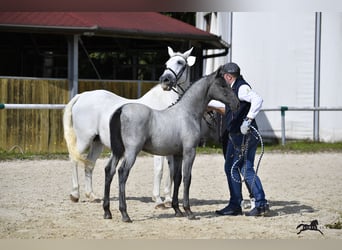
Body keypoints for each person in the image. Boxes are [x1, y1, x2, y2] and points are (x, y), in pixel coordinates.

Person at [209, 62, 269, 216]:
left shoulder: (241, 88)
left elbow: (258, 100)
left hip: (242, 135)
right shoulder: (234, 89)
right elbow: (228, 106)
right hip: (241, 135)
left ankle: (241, 204)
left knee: (235, 167)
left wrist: (248, 120)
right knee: (242, 167)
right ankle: (257, 203)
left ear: (228, 76)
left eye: (223, 77)